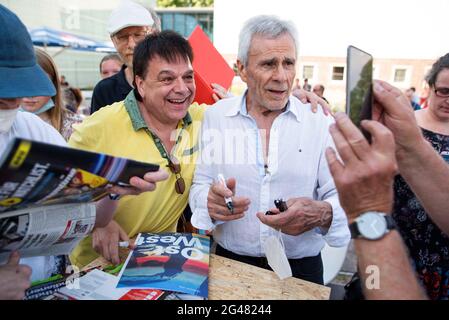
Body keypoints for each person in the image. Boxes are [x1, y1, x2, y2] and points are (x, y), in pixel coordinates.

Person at [0, 4, 167, 299]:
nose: (15, 101)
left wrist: (112, 191)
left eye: (18, 91)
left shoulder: (31, 129)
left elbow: (88, 217)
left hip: (51, 286)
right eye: (4, 95)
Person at [189, 15, 350, 285]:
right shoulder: (216, 117)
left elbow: (346, 195)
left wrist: (322, 213)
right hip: (231, 267)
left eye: (288, 63)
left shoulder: (319, 121)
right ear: (241, 69)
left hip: (302, 272)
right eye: (268, 64)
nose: (281, 76)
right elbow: (201, 184)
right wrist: (209, 202)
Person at [325, 111, 427, 300]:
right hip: (383, 260)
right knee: (370, 284)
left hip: (386, 256)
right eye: (443, 91)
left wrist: (367, 211)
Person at [392, 53, 449, 299]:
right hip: (399, 246)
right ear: (431, 87)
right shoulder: (404, 125)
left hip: (443, 261)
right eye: (444, 91)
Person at [90, 0, 159, 114]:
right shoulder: (104, 91)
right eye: (122, 37)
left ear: (153, 35)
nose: (131, 44)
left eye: (138, 35)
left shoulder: (173, 82)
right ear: (113, 41)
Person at [21, 48, 83, 141]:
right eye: (24, 81)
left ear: (54, 84)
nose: (31, 94)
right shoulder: (5, 123)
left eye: (41, 83)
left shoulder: (75, 126)